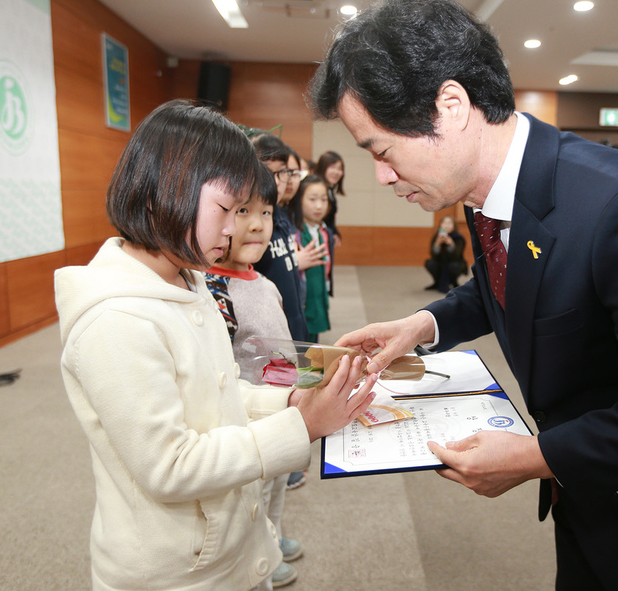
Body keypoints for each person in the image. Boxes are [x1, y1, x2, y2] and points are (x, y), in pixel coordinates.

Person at [309, 0, 618, 590]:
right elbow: (506, 284)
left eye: (382, 150)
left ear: (450, 106)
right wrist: (422, 326)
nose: (381, 175)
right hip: (590, 493)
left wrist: (537, 457)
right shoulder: (481, 190)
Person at [54, 100, 376, 591]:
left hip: (226, 546)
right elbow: (170, 466)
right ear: (163, 193)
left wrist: (290, 399)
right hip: (173, 572)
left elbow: (220, 391)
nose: (235, 229)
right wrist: (302, 425)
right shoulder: (116, 319)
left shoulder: (188, 279)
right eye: (227, 210)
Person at [205, 163, 304, 587]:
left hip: (282, 409)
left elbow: (280, 344)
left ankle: (274, 535)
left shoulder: (263, 282)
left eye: (266, 213)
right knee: (256, 495)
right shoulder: (214, 290)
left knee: (279, 489)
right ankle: (258, 550)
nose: (259, 225)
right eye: (243, 212)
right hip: (249, 425)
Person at [249, 133, 322, 341]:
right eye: (268, 172)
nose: (276, 182)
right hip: (270, 333)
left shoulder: (280, 215)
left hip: (294, 323)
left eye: (282, 173)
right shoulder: (254, 224)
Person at [291, 174, 332, 342]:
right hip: (301, 306)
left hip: (317, 302)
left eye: (324, 200)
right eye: (312, 199)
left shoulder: (322, 231)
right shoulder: (295, 233)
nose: (319, 206)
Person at [315, 150, 345, 296]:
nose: (337, 172)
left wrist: (335, 231)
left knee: (325, 276)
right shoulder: (318, 188)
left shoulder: (329, 190)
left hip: (326, 236)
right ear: (323, 167)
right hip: (316, 238)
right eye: (333, 167)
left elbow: (329, 218)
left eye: (340, 169)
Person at [424, 214, 467, 292]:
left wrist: (451, 244)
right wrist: (437, 244)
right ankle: (437, 282)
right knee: (430, 263)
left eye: (449, 223)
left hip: (455, 263)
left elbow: (457, 255)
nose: (446, 226)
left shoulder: (458, 238)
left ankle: (454, 282)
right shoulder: (436, 237)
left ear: (454, 226)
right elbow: (433, 255)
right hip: (440, 262)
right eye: (444, 223)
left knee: (454, 266)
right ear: (440, 225)